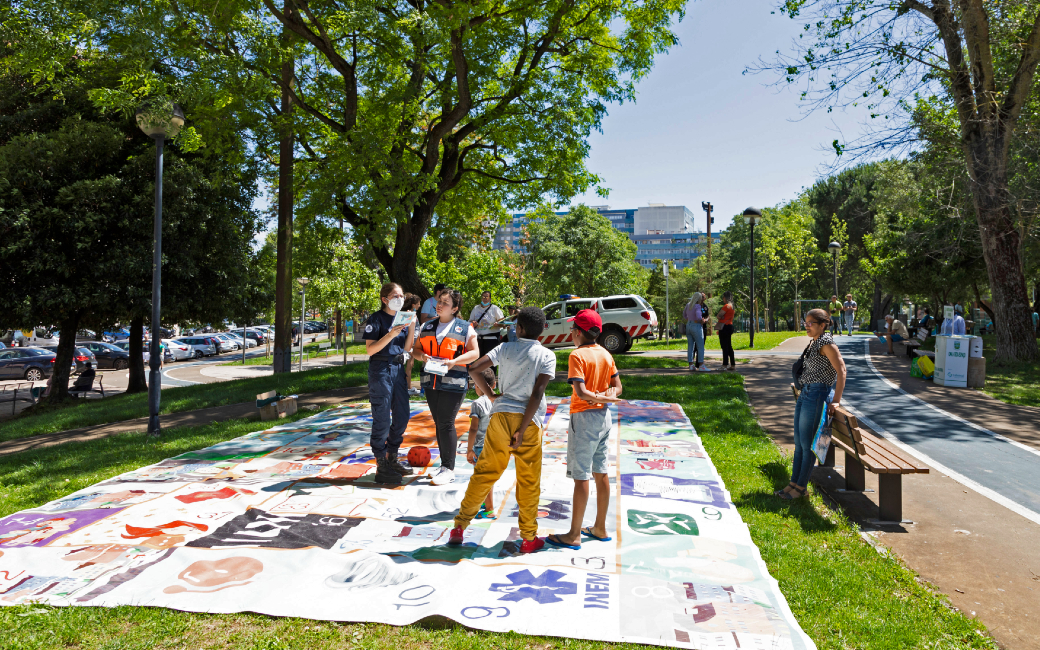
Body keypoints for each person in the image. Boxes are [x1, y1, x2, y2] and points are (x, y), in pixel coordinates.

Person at [449, 307, 555, 553]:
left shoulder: (505, 348)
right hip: (529, 422)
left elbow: (474, 369)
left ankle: (459, 527)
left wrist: (491, 397)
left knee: (485, 473)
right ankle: (529, 537)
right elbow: (538, 393)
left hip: (500, 418)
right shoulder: (547, 355)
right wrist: (525, 426)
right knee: (528, 481)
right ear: (542, 331)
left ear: (518, 329)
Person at [545, 310, 622, 550]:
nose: (571, 333)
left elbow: (580, 393)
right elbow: (618, 387)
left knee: (581, 477)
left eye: (572, 329)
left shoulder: (576, 355)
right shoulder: (606, 354)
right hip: (604, 419)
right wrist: (608, 397)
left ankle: (574, 534)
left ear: (578, 332)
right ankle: (600, 527)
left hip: (584, 418)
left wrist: (598, 397)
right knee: (601, 472)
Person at [777, 308, 847, 500]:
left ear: (822, 325)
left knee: (807, 445)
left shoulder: (827, 343)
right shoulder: (814, 342)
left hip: (817, 394)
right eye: (805, 323)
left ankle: (800, 488)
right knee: (799, 444)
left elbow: (842, 371)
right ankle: (793, 483)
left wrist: (837, 401)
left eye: (811, 323)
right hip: (806, 393)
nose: (807, 326)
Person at [413, 288, 480, 486]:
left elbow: (475, 352)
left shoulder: (464, 327)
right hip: (431, 382)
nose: (440, 305)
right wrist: (422, 356)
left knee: (446, 423)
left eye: (445, 303)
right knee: (439, 423)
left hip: (454, 382)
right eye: (439, 301)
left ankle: (449, 469)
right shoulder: (427, 325)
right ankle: (444, 466)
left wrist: (454, 361)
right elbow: (416, 350)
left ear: (455, 308)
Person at [363, 282, 417, 485]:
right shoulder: (376, 319)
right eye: (395, 296)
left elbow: (407, 347)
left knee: (402, 416)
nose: (400, 299)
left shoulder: (402, 318)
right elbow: (370, 350)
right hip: (380, 370)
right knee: (383, 418)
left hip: (397, 369)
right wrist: (391, 334)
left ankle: (392, 457)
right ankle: (380, 463)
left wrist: (411, 327)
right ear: (385, 299)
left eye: (402, 295)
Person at [465, 366, 499, 519]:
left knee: (484, 478)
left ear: (478, 385)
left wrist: (469, 449)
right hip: (496, 444)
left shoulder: (477, 404)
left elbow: (473, 428)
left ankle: (490, 508)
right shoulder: (498, 401)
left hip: (481, 446)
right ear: (494, 385)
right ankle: (487, 503)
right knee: (489, 476)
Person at [470, 291, 505, 356]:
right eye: (483, 297)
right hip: (478, 339)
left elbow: (503, 323)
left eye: (487, 297)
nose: (485, 298)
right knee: (478, 361)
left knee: (490, 362)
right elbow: (470, 322)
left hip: (491, 340)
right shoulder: (476, 308)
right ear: (481, 298)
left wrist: (498, 324)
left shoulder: (495, 308)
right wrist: (473, 323)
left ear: (490, 299)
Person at [401, 294, 422, 395]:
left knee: (411, 364)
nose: (419, 305)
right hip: (409, 344)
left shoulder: (412, 313)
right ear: (413, 305)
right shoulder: (408, 314)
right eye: (418, 304)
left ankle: (408, 386)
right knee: (409, 365)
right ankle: (407, 387)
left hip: (412, 343)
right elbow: (407, 330)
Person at [683, 293, 705, 372]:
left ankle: (691, 365)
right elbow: (699, 316)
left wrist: (689, 319)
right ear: (698, 299)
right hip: (696, 325)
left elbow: (684, 315)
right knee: (700, 346)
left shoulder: (688, 305)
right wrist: (702, 320)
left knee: (690, 347)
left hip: (688, 325)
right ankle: (701, 365)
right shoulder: (697, 306)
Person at [716, 292, 735, 371]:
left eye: (723, 297)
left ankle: (724, 365)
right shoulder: (732, 306)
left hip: (724, 327)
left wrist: (721, 316)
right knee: (729, 346)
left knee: (724, 346)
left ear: (726, 298)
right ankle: (732, 364)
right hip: (730, 326)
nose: (723, 299)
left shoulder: (726, 306)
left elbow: (718, 316)